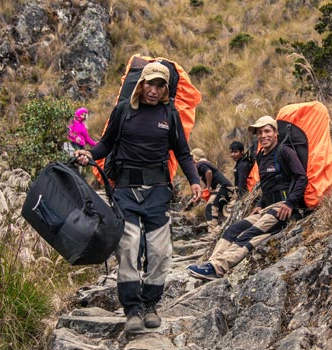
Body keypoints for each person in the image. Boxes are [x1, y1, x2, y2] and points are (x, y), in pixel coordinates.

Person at [75, 62, 202, 333]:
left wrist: (194, 181)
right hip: (125, 190)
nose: (153, 90)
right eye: (149, 84)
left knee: (159, 251)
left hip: (157, 191)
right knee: (129, 247)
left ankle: (151, 304)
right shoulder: (124, 111)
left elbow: (182, 152)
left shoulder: (170, 114)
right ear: (141, 84)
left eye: (160, 85)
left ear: (166, 89)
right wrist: (90, 154)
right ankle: (132, 309)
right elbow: (106, 144)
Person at [187, 115, 307, 280]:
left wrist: (291, 203)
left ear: (275, 133)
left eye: (267, 131)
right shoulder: (262, 156)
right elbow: (266, 185)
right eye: (259, 132)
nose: (263, 136)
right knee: (233, 229)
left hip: (283, 209)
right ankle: (211, 263)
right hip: (266, 208)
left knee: (250, 234)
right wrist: (259, 203)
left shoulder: (284, 151)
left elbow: (301, 177)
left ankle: (218, 268)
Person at [191, 148, 232, 231]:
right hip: (227, 187)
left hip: (222, 186)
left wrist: (208, 186)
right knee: (219, 207)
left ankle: (213, 231)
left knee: (210, 206)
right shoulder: (206, 163)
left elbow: (208, 172)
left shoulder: (200, 164)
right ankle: (220, 228)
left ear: (195, 157)